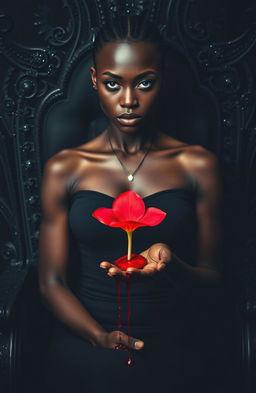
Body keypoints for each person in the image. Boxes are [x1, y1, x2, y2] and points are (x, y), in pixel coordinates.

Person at [39, 14, 223, 393]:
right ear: (94, 80)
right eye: (112, 84)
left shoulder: (197, 165)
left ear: (162, 80)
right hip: (87, 337)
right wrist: (98, 337)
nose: (128, 101)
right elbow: (51, 281)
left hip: (175, 339)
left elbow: (216, 279)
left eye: (144, 83)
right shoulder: (66, 167)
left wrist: (171, 264)